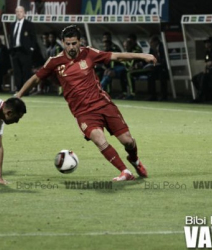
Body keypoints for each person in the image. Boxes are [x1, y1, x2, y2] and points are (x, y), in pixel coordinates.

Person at [16, 25, 156, 181]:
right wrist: (19, 95)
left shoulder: (89, 53)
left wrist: (144, 56)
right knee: (98, 139)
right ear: (63, 43)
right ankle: (125, 171)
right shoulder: (55, 62)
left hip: (103, 104)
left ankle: (134, 160)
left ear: (79, 41)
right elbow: (36, 78)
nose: (71, 47)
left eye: (74, 43)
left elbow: (116, 56)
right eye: (68, 44)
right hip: (83, 112)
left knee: (128, 141)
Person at [10, 6, 37, 93]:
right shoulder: (12, 25)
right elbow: (11, 38)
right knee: (17, 71)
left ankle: (25, 90)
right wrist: (11, 49)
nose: (19, 13)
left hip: (25, 51)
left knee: (26, 71)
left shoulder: (29, 24)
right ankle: (18, 89)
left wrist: (31, 49)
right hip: (15, 51)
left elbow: (34, 38)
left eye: (21, 11)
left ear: (24, 13)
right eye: (17, 11)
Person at [147, 36, 169, 101]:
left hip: (164, 68)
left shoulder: (162, 47)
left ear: (156, 42)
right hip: (156, 68)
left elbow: (165, 60)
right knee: (150, 76)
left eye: (151, 42)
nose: (150, 44)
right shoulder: (151, 49)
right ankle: (153, 95)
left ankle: (164, 96)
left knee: (162, 76)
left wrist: (158, 63)